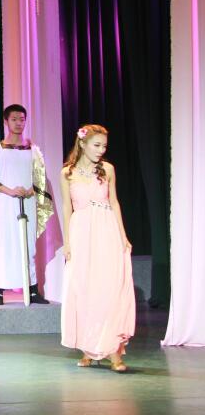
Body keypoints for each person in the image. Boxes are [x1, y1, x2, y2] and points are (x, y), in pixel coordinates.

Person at [60, 124, 135, 372]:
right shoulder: (67, 173)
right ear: (82, 144)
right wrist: (67, 242)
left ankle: (114, 354)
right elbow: (67, 208)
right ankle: (88, 349)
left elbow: (114, 202)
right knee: (85, 289)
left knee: (109, 289)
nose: (101, 150)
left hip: (106, 230)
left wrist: (123, 236)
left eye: (104, 146)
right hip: (81, 233)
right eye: (97, 145)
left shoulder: (108, 169)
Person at [0, 104, 52, 306]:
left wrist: (31, 190)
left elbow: (40, 176)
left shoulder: (33, 150)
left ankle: (32, 290)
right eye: (14, 119)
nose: (18, 123)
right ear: (6, 121)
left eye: (22, 119)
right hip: (4, 203)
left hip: (27, 202)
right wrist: (11, 191)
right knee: (4, 244)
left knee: (28, 245)